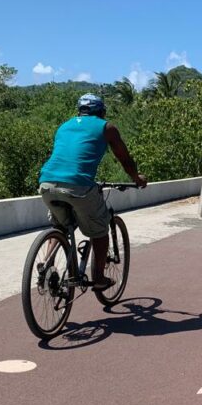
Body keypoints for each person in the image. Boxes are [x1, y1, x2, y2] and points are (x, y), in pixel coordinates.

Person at [38, 94, 147, 289]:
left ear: (80, 111)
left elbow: (69, 156)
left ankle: (46, 265)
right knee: (99, 231)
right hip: (78, 186)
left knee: (61, 226)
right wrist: (136, 179)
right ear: (101, 111)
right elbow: (124, 158)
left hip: (47, 183)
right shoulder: (106, 128)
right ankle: (98, 278)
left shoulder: (64, 126)